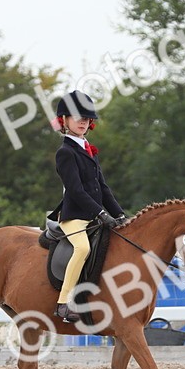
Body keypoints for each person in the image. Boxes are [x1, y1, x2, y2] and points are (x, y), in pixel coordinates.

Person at [49, 90, 127, 324]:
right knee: (82, 249)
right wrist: (101, 213)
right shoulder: (65, 152)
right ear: (64, 121)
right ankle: (63, 304)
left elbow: (103, 188)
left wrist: (120, 215)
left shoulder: (88, 150)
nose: (83, 121)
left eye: (86, 118)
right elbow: (76, 191)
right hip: (74, 217)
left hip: (95, 214)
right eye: (77, 117)